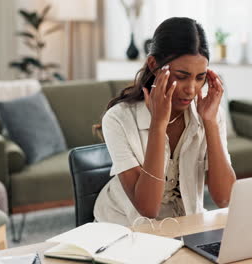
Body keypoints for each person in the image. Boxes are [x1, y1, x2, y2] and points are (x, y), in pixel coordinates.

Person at [94, 17, 236, 226]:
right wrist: (158, 125)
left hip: (186, 224)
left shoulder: (210, 112)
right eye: (182, 75)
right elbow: (148, 209)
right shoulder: (118, 119)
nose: (191, 89)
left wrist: (210, 123)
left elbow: (225, 198)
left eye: (200, 77)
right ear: (154, 65)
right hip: (124, 228)